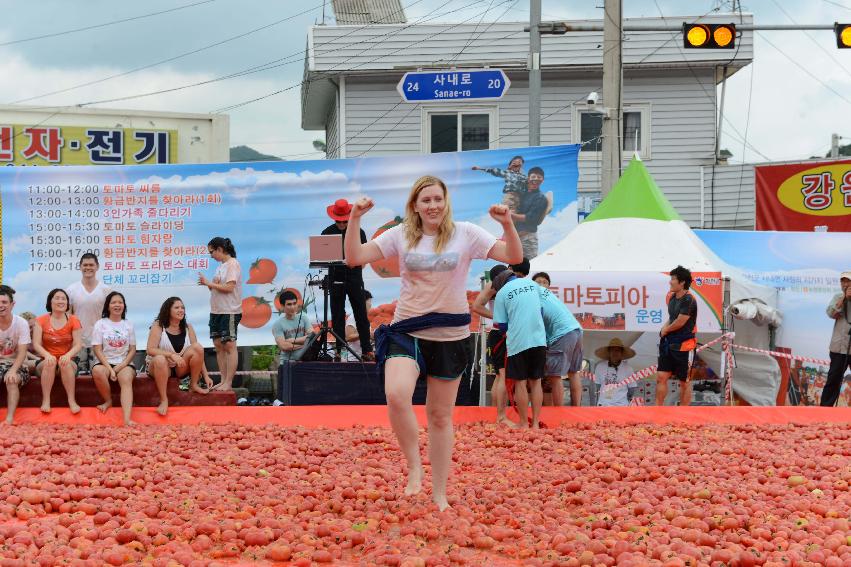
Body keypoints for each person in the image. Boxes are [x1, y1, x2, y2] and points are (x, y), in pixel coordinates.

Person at [344, 175, 522, 511]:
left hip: (450, 336)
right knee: (396, 394)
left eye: (438, 199)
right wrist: (355, 219)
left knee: (440, 417)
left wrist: (507, 225)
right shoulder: (401, 235)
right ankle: (414, 467)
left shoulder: (466, 233)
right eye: (425, 200)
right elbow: (354, 257)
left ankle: (439, 493)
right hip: (407, 330)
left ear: (446, 201)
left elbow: (513, 255)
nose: (433, 206)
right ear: (415, 205)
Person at [491, 265, 547, 429]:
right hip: (539, 339)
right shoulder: (533, 285)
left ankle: (523, 423)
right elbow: (541, 312)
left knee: (521, 383)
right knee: (536, 382)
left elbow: (501, 326)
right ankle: (535, 423)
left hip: (518, 342)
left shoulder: (501, 293)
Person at [322, 199, 374, 362]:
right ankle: (339, 350)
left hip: (354, 277)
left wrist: (357, 265)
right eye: (339, 221)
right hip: (335, 277)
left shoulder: (359, 232)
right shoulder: (327, 232)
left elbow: (364, 256)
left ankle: (367, 350)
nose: (342, 224)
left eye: (345, 221)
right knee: (337, 315)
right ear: (334, 218)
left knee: (360, 314)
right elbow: (322, 259)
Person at [146, 297, 212, 416]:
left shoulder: (188, 327)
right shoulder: (158, 325)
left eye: (182, 308)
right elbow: (150, 350)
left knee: (197, 347)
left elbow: (199, 354)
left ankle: (194, 384)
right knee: (160, 359)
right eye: (177, 307)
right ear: (168, 310)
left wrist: (206, 376)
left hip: (179, 368)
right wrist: (171, 355)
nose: (181, 310)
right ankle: (164, 400)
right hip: (159, 366)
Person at [198, 237, 242, 391]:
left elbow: (229, 287)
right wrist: (209, 283)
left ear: (220, 249)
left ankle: (229, 382)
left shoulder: (233, 264)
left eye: (212, 252)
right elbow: (216, 288)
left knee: (229, 345)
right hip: (216, 310)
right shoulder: (220, 266)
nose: (211, 256)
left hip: (229, 310)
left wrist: (210, 283)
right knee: (218, 345)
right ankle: (223, 380)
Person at [32, 289, 83, 414]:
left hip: (67, 360)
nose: (61, 301)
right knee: (51, 362)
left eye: (64, 298)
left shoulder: (74, 320)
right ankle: (46, 401)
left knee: (64, 363)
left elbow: (78, 344)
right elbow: (36, 344)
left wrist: (68, 355)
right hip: (46, 361)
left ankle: (72, 401)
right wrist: (47, 355)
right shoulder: (40, 320)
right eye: (57, 298)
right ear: (50, 301)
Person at [472, 275, 514, 427]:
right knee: (503, 375)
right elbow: (476, 306)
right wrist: (499, 318)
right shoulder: (497, 285)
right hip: (500, 333)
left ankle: (496, 413)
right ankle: (500, 415)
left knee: (499, 375)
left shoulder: (501, 288)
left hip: (498, 332)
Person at [91, 291, 137, 426]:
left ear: (124, 306)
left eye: (120, 302)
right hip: (104, 362)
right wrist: (110, 369)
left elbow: (132, 349)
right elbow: (97, 349)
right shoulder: (100, 324)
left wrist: (121, 366)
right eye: (114, 302)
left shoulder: (128, 324)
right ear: (108, 306)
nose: (117, 305)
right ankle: (108, 400)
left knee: (126, 378)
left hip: (124, 362)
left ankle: (127, 419)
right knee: (98, 371)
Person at [537, 277, 583, 407]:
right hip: (576, 330)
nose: (541, 284)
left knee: (554, 376)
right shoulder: (548, 295)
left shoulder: (531, 296)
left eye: (544, 282)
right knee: (573, 372)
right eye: (539, 281)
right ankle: (577, 410)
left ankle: (558, 413)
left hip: (561, 334)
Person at [655, 265, 697, 406]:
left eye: (673, 279)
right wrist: (664, 328)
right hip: (669, 344)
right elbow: (672, 318)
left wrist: (666, 330)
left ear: (682, 282)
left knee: (684, 382)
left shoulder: (689, 299)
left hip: (685, 346)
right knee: (661, 377)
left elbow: (680, 321)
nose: (670, 282)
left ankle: (683, 414)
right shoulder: (672, 297)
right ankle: (658, 410)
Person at [66, 253, 112, 374]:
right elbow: (67, 317)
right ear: (80, 267)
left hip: (99, 341)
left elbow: (110, 317)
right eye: (85, 265)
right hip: (77, 342)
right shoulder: (71, 289)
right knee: (77, 377)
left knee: (98, 375)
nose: (88, 268)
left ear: (97, 266)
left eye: (91, 265)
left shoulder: (106, 290)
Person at [0, 286, 32, 425]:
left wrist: (13, 370)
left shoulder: (21, 323)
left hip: (17, 363)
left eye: (4, 302)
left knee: (12, 379)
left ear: (12, 305)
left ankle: (9, 419)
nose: (1, 305)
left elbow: (23, 351)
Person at [821, 270, 851, 407]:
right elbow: (831, 313)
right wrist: (844, 298)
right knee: (833, 380)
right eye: (843, 281)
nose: (845, 283)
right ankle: (824, 412)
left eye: (848, 281)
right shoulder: (837, 297)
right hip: (838, 348)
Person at [511, 166, 549, 260]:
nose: (536, 179)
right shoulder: (522, 193)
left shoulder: (540, 198)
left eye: (539, 177)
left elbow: (531, 218)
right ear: (528, 178)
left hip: (527, 238)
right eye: (534, 176)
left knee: (529, 267)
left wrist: (510, 215)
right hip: (515, 237)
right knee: (514, 266)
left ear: (543, 180)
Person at [272, 290, 316, 365]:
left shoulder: (303, 317)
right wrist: (304, 345)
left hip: (305, 361)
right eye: (289, 304)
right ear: (282, 306)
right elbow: (284, 346)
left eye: (294, 303)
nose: (292, 307)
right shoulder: (278, 324)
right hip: (287, 363)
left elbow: (312, 336)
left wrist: (291, 340)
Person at [593, 338, 638, 406]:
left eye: (618, 350)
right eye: (612, 350)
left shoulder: (628, 369)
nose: (615, 352)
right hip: (603, 405)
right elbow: (598, 386)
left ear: (621, 353)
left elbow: (631, 389)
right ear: (609, 352)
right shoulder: (600, 366)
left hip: (622, 406)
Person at [345, 290, 374, 361]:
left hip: (364, 357)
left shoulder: (364, 319)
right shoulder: (353, 317)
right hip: (354, 359)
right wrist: (367, 334)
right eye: (369, 302)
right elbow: (348, 337)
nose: (370, 305)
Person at [18, 312, 41, 376]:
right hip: (29, 361)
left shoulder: (41, 332)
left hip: (40, 361)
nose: (29, 330)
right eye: (26, 327)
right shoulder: (18, 335)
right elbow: (22, 351)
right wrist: (36, 358)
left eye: (31, 327)